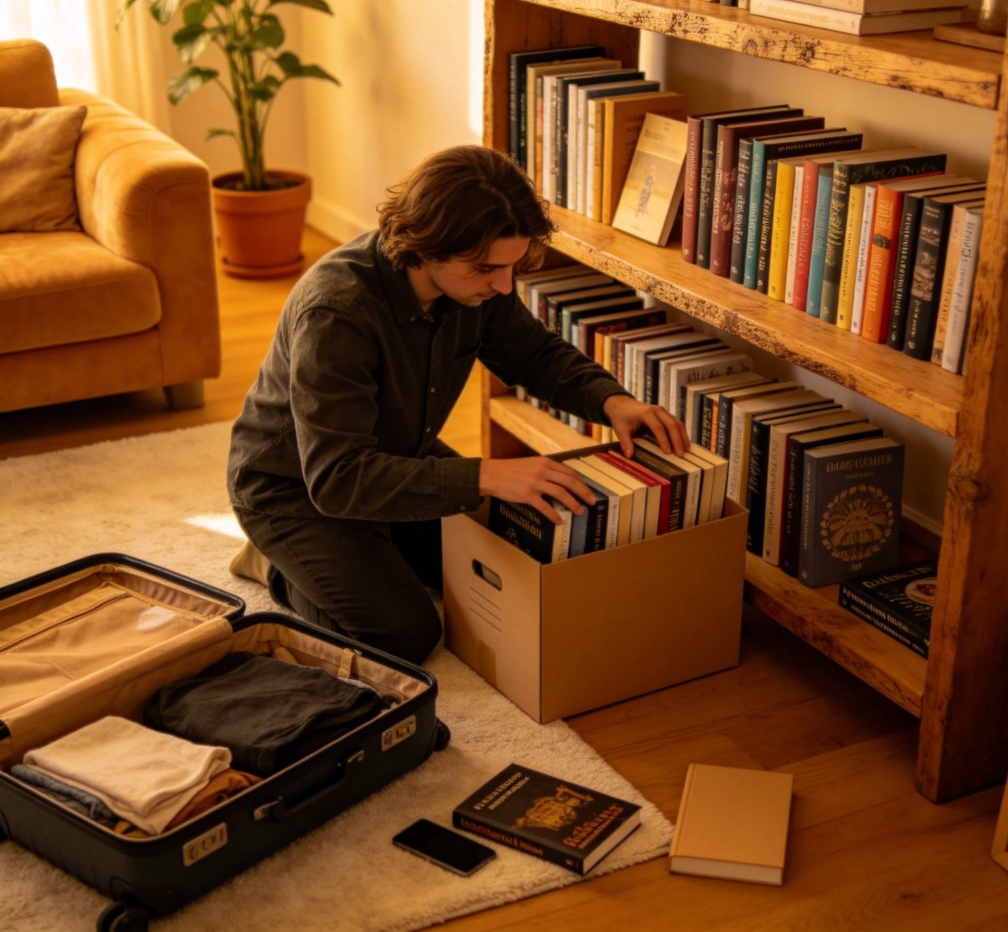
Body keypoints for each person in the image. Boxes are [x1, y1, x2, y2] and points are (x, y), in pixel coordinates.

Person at [227, 145, 688, 664]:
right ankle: (275, 565)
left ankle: (374, 548)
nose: (503, 284)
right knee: (405, 635)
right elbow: (337, 479)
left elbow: (532, 354)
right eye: (488, 269)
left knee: (519, 551)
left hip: (397, 461)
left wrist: (613, 402)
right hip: (297, 489)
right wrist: (486, 476)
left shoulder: (476, 284)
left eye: (512, 266)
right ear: (426, 247)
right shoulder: (336, 312)